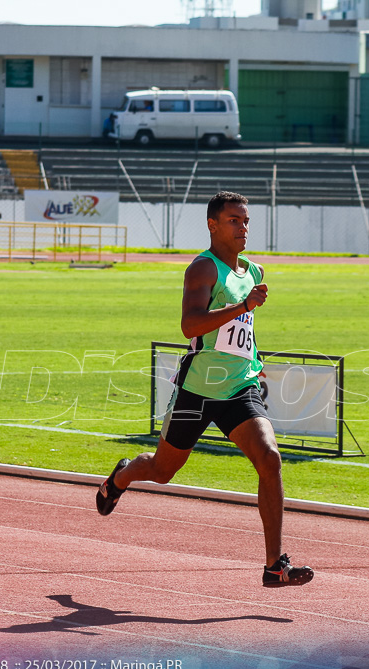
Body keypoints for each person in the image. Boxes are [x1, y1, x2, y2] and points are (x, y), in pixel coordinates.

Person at [96, 191, 313, 588]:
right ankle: (122, 477)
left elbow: (242, 331)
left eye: (245, 221)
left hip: (239, 387)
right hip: (197, 390)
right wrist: (242, 306)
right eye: (234, 220)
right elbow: (190, 326)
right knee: (163, 471)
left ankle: (274, 565)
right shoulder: (202, 269)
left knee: (270, 458)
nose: (242, 227)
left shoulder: (253, 271)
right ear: (213, 224)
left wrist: (256, 361)